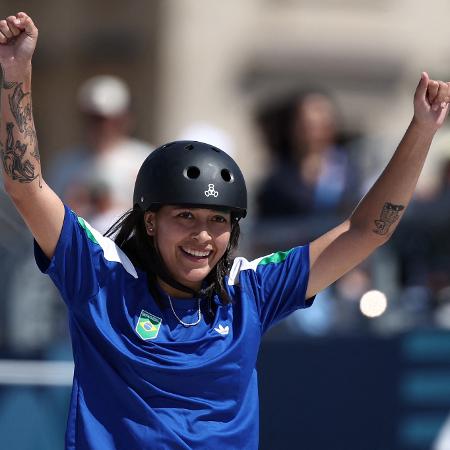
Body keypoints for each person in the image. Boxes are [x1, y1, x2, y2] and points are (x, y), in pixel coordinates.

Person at [1, 11, 449, 450]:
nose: (203, 236)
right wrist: (16, 70)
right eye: (186, 217)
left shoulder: (249, 292)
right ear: (151, 220)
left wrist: (422, 130)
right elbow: (26, 186)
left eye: (218, 221)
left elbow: (366, 231)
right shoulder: (101, 276)